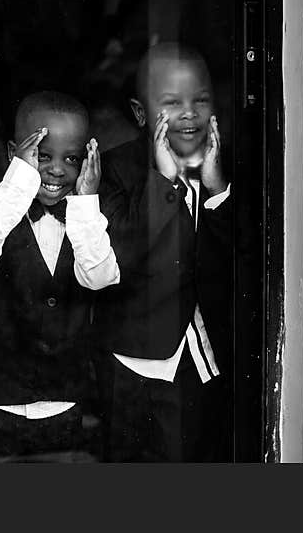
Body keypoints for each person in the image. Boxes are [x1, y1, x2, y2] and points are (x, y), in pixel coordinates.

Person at [0, 91, 120, 461]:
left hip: (67, 409)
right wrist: (20, 178)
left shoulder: (90, 220)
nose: (56, 170)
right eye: (41, 156)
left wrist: (84, 203)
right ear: (14, 153)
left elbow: (99, 276)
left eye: (71, 158)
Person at [96, 42, 232, 462]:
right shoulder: (117, 171)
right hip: (131, 358)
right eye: (172, 103)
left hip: (195, 357)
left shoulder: (224, 167)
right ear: (141, 114)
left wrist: (216, 192)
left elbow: (234, 259)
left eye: (200, 100)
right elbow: (123, 255)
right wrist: (165, 184)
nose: (189, 112)